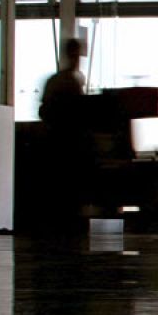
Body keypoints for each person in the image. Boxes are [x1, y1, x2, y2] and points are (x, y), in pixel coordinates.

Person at [39, 37, 91, 230]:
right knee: (70, 191)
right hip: (70, 144)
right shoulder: (71, 82)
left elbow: (43, 111)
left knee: (60, 191)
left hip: (56, 143)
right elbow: (81, 113)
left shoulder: (56, 81)